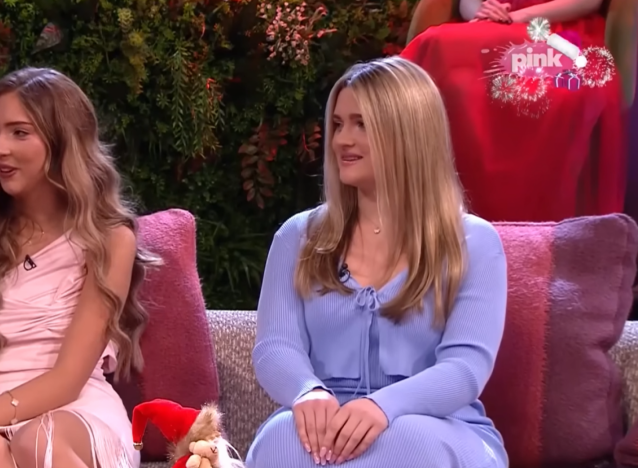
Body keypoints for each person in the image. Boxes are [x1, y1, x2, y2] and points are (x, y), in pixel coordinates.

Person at [246, 57, 509, 468]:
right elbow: (275, 347)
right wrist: (306, 391)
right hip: (329, 422)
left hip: (437, 425)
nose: (341, 140)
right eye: (338, 124)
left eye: (361, 124)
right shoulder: (298, 237)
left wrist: (383, 407)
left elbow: (464, 369)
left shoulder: (473, 243)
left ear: (407, 133)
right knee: (280, 440)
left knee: (407, 443)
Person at [0, 67, 155, 468]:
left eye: (19, 132)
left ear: (62, 142)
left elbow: (67, 380)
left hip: (75, 414)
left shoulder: (108, 240)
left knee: (38, 440)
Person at [400, 0, 624, 222]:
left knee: (553, 92)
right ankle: (422, 215)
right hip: (486, 25)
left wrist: (517, 18)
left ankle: (523, 223)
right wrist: (482, 12)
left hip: (553, 29)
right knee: (436, 47)